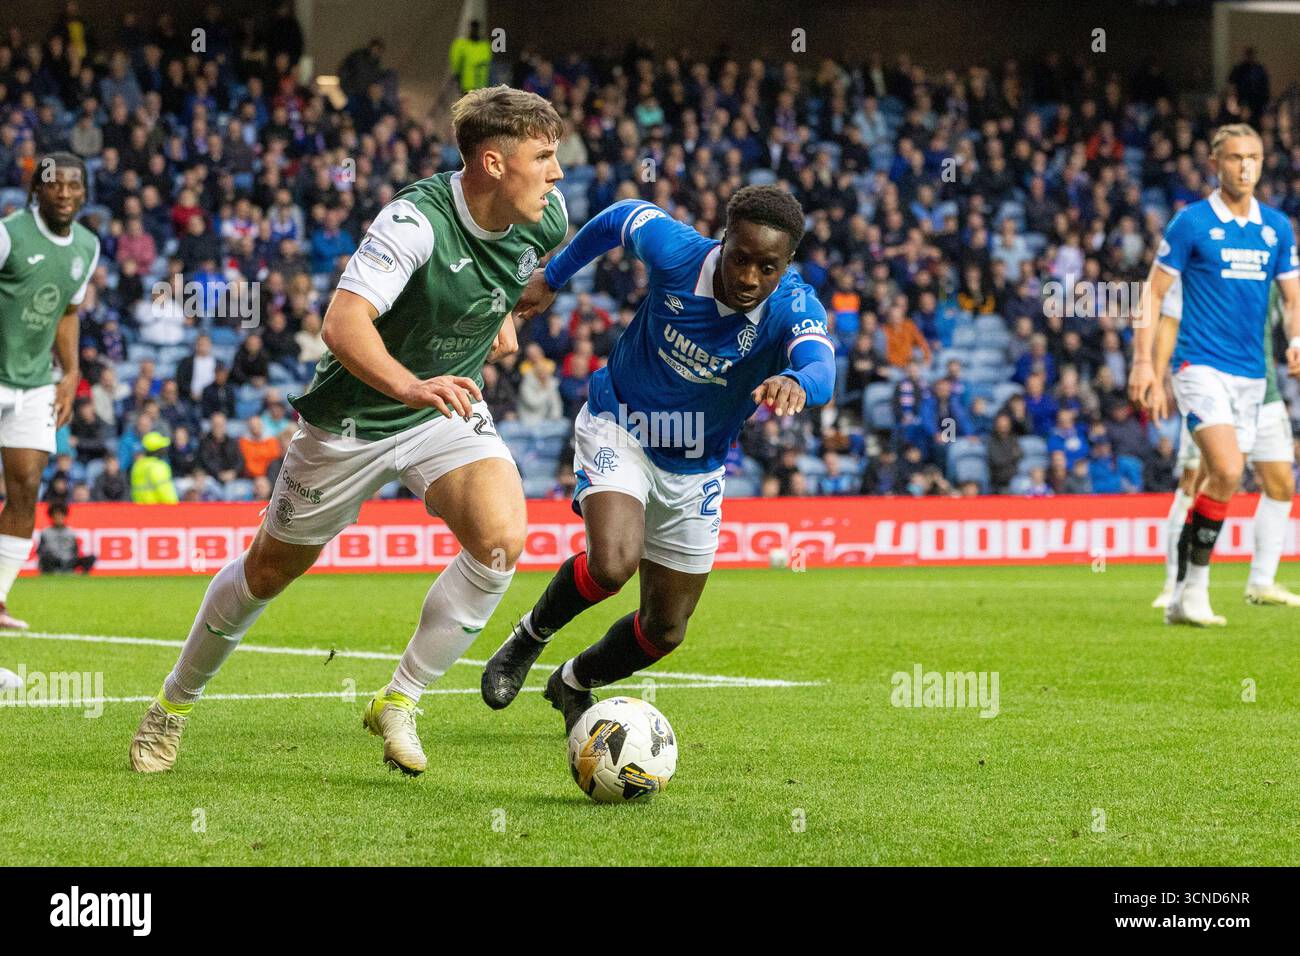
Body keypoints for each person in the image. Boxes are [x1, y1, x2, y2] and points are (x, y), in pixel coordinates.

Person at [130, 86, 568, 776]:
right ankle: (172, 707)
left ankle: (401, 698)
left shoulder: (544, 217)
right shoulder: (413, 222)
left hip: (444, 409)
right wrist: (408, 383)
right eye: (543, 157)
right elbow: (341, 324)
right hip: (355, 417)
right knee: (268, 572)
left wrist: (499, 324)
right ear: (491, 163)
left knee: (502, 539)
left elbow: (511, 282)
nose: (558, 172)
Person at [481, 185, 835, 732]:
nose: (748, 277)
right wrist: (552, 277)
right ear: (724, 241)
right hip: (620, 424)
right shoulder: (677, 252)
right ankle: (529, 636)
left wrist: (796, 381)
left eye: (767, 267)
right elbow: (620, 217)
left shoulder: (793, 305)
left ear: (786, 264)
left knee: (666, 629)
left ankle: (573, 681)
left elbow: (820, 369)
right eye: (740, 258)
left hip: (696, 463)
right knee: (612, 563)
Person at [1130, 124, 1300, 627]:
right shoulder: (1191, 223)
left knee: (1225, 480)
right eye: (1234, 158)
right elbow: (1154, 294)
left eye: (1253, 157)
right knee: (1224, 470)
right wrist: (1145, 363)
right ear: (1215, 164)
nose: (1245, 166)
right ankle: (1190, 589)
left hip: (1253, 376)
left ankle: (1185, 593)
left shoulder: (1277, 229)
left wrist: (1295, 340)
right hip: (1198, 366)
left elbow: (1292, 298)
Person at [1150, 277, 1300, 608]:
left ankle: (1262, 582)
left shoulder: (1277, 271)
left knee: (1281, 484)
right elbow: (1169, 312)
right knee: (1197, 481)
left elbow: (1293, 306)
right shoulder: (1208, 264)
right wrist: (1156, 373)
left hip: (1264, 389)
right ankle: (1176, 584)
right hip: (1212, 387)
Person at [0, 152, 100, 630]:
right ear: (36, 190)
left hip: (37, 381)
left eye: (72, 185)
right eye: (54, 184)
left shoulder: (88, 245)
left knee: (25, 488)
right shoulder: (9, 234)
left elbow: (67, 311)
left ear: (84, 191)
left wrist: (70, 371)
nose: (63, 192)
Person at [36, 503, 95, 574]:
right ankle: (52, 572)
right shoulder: (46, 532)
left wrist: (71, 559)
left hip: (69, 560)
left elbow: (75, 550)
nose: (59, 519)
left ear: (65, 516)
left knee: (91, 558)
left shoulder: (70, 532)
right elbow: (39, 551)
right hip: (54, 560)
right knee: (46, 559)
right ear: (51, 517)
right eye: (56, 516)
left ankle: (81, 575)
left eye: (61, 516)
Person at [131, 431, 178, 503]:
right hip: (158, 510)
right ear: (157, 450)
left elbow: (135, 493)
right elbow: (166, 493)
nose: (164, 450)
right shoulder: (159, 467)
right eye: (162, 448)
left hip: (140, 509)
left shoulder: (137, 465)